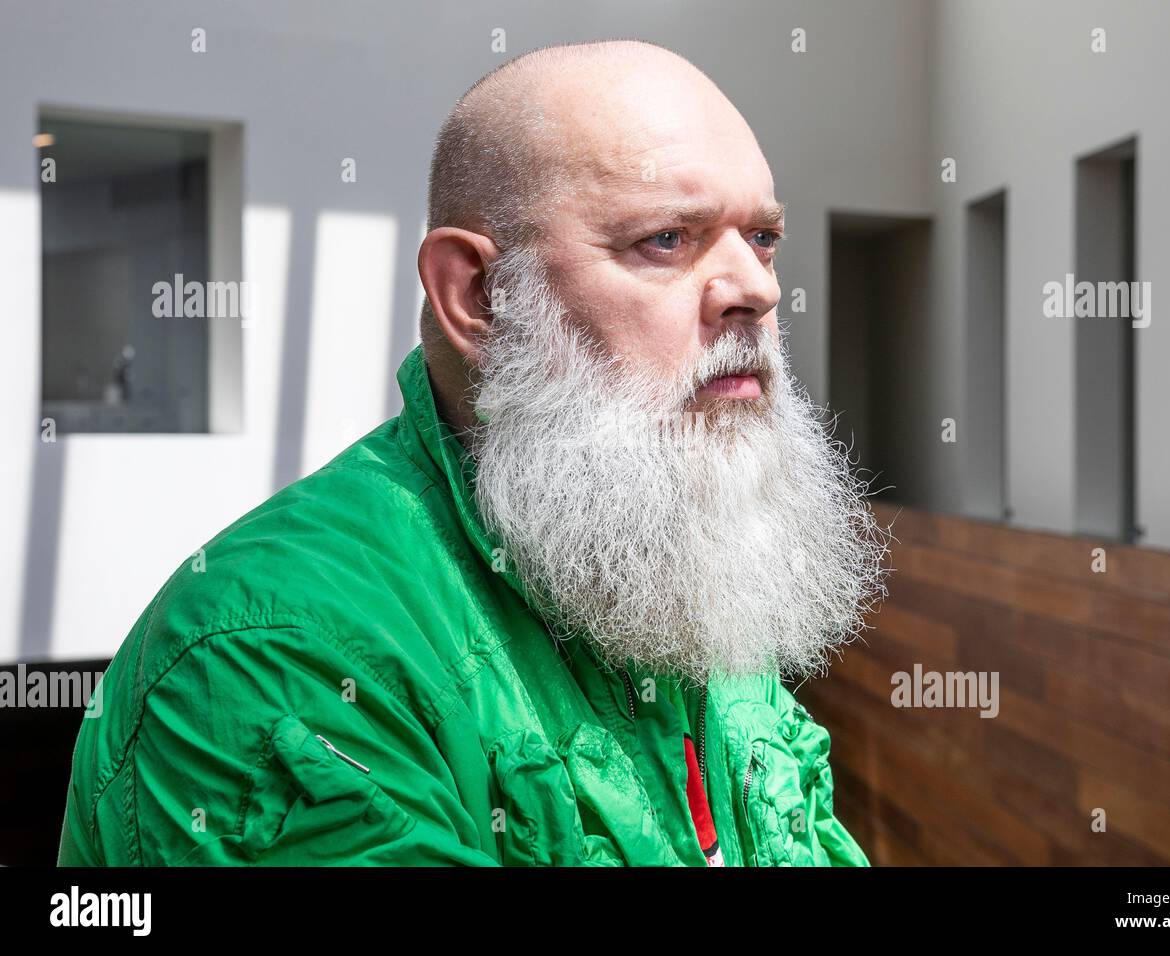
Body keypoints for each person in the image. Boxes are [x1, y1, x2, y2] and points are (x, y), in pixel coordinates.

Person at [57, 38, 890, 867]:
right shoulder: (273, 664)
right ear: (477, 296)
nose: (756, 288)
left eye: (764, 237)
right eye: (667, 239)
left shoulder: (677, 573)